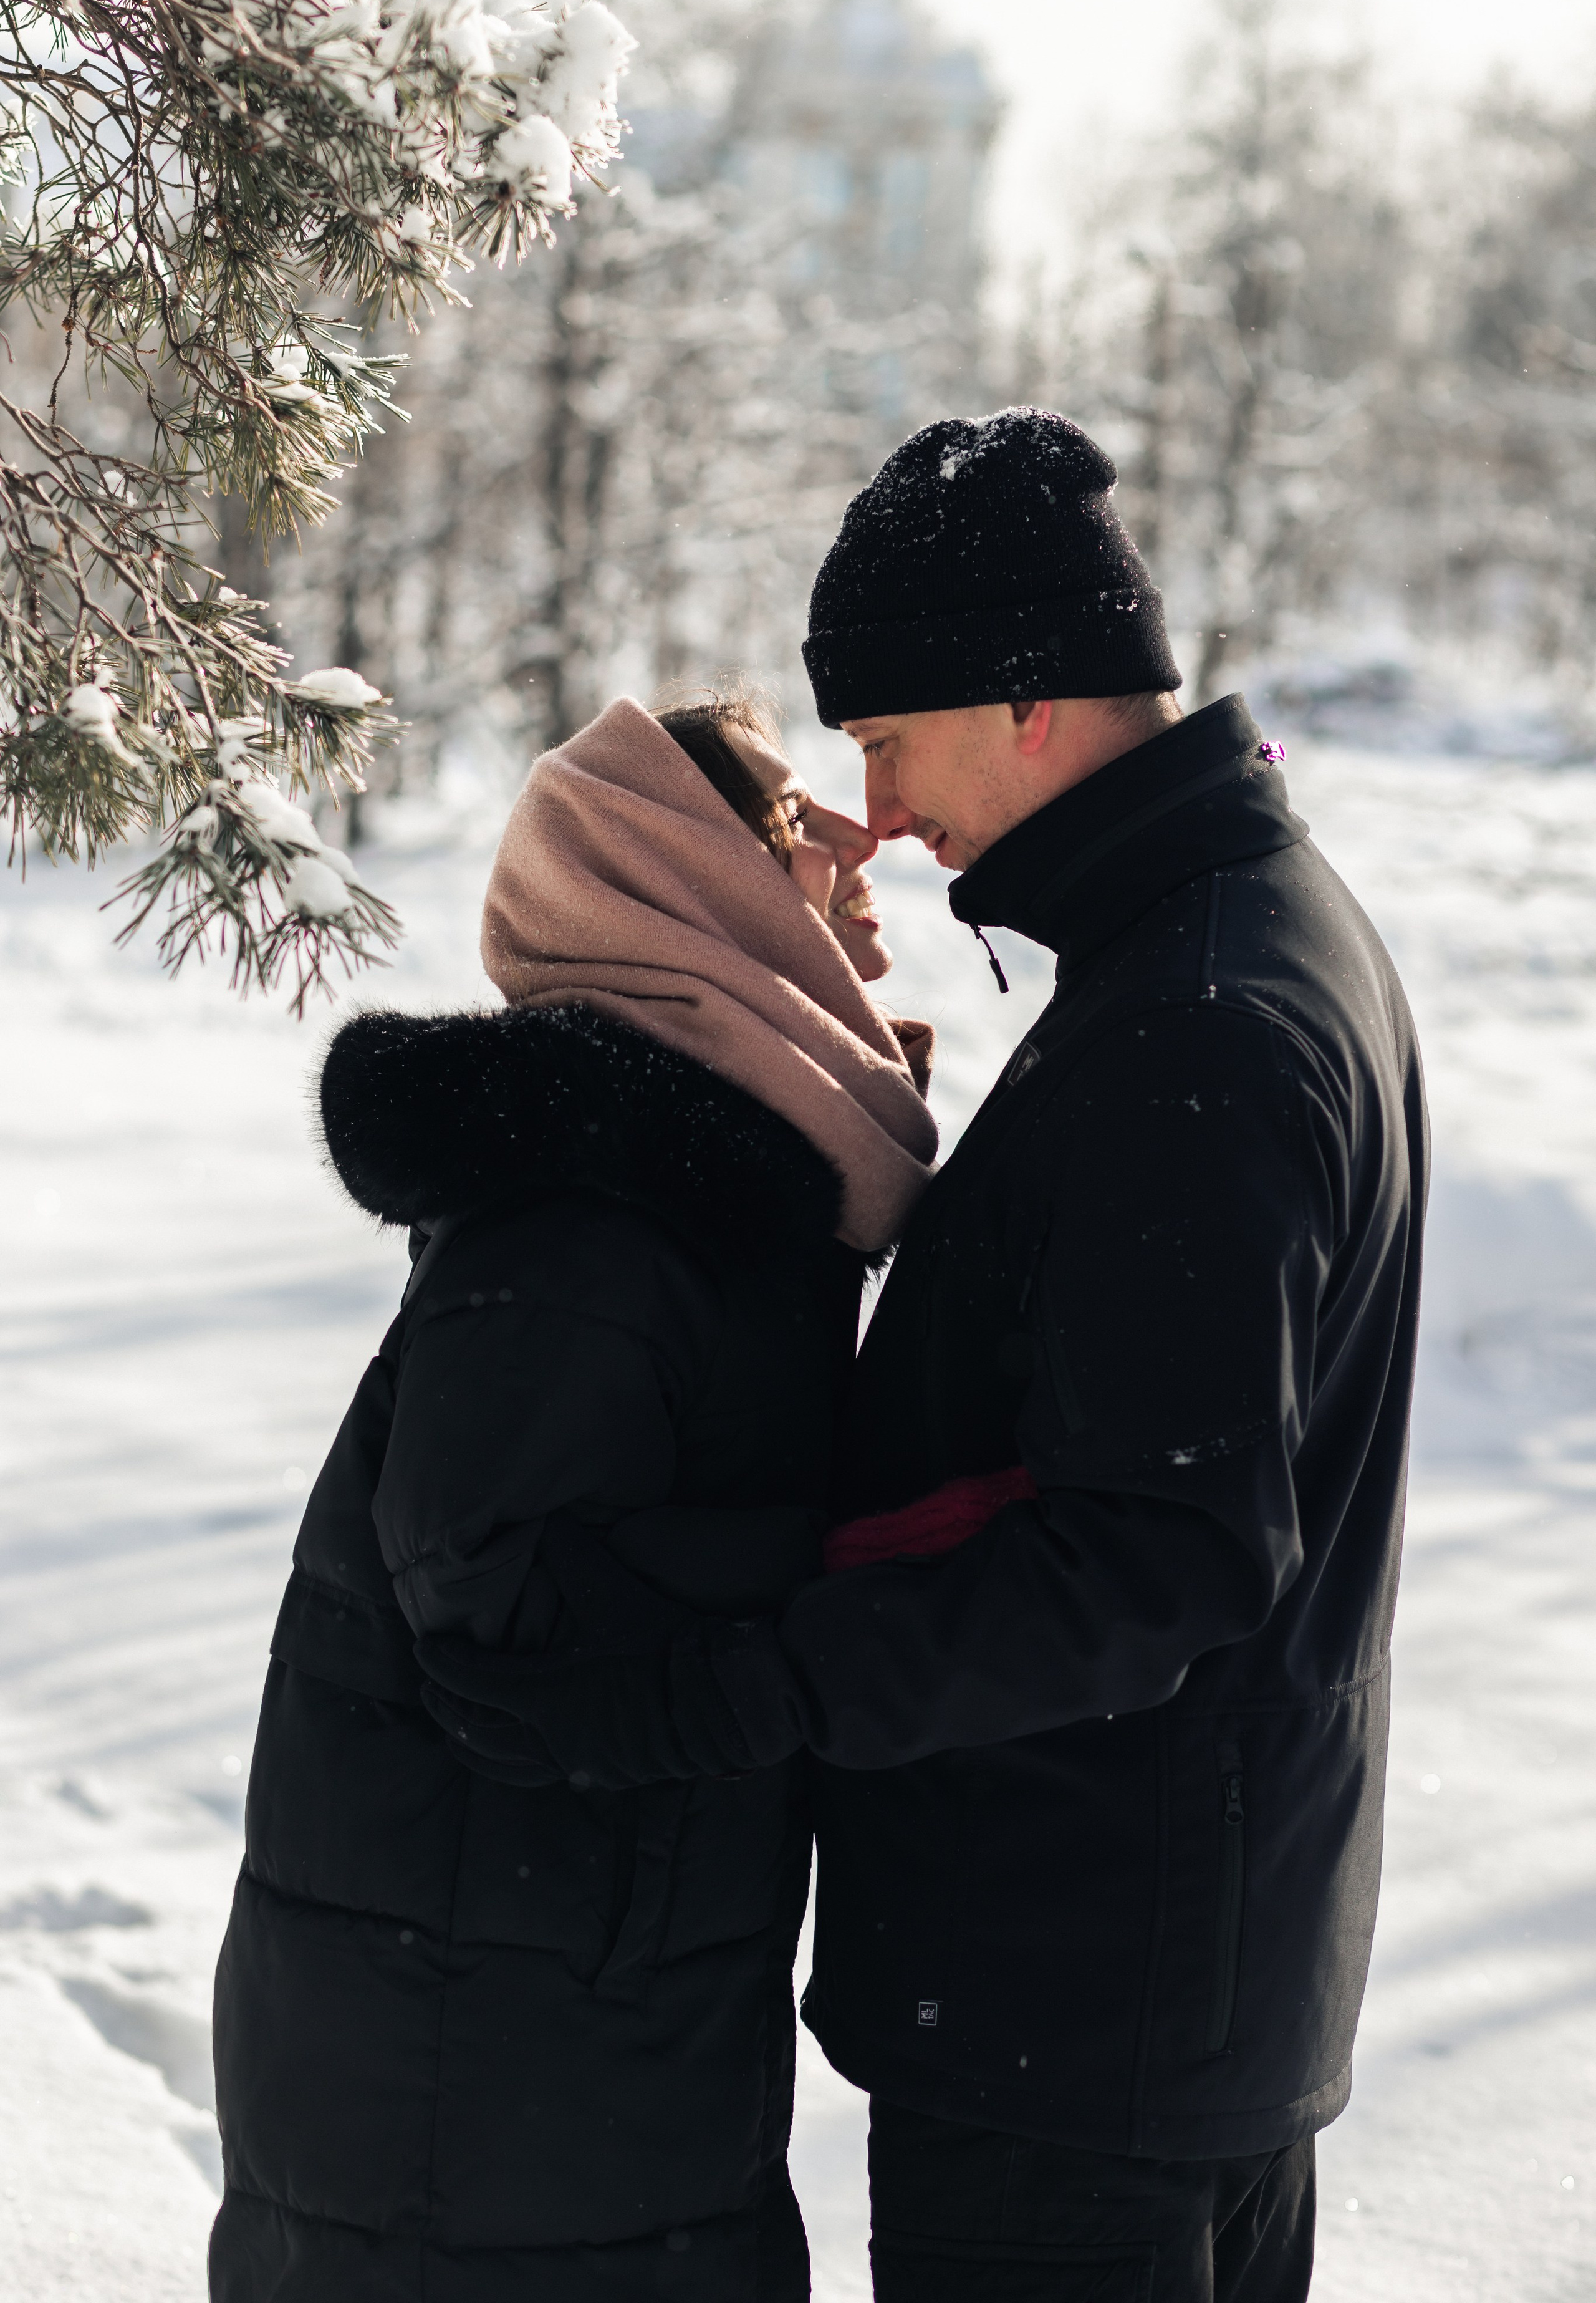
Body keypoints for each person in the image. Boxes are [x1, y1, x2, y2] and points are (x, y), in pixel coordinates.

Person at [425, 411, 1429, 2303]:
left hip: (1081, 2024)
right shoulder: (1231, 949)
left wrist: (710, 1693)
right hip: (1156, 1988)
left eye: (888, 741)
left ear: (1031, 702)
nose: (875, 811)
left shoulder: (1196, 1026)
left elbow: (1156, 1558)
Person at [208, 688, 938, 2302]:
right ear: (697, 879)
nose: (853, 835)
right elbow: (496, 1599)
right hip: (480, 2087)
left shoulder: (705, 1180)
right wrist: (844, 1603)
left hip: (564, 2034)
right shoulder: (594, 1211)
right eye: (792, 818)